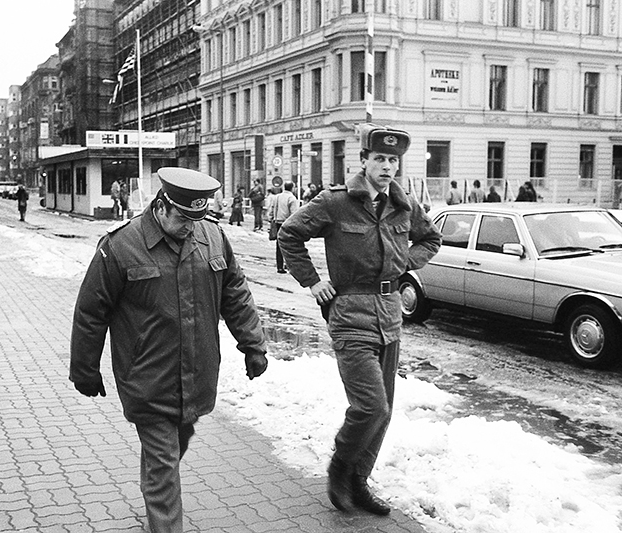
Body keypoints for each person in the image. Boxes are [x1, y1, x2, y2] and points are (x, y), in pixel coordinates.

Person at [70, 167, 268, 533]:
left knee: (176, 444)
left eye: (198, 218)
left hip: (196, 374)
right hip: (147, 376)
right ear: (161, 206)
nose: (190, 227)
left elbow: (235, 292)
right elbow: (91, 310)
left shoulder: (212, 236)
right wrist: (84, 368)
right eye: (183, 218)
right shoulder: (120, 246)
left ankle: (155, 488)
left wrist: (253, 344)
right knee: (163, 464)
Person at [278, 123, 441, 516]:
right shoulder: (335, 202)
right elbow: (289, 234)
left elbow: (431, 239)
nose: (387, 166)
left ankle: (358, 481)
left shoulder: (404, 205)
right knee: (372, 406)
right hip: (350, 314)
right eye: (380, 158)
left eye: (393, 160)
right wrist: (314, 282)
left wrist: (404, 267)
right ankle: (339, 466)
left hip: (390, 317)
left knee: (384, 411)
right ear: (364, 160)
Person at [270, 181, 299, 274]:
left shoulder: (277, 197)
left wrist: (272, 218)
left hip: (277, 222)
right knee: (289, 245)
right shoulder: (292, 198)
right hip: (287, 224)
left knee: (279, 245)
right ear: (292, 188)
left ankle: (279, 266)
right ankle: (289, 265)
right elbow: (294, 213)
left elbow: (272, 209)